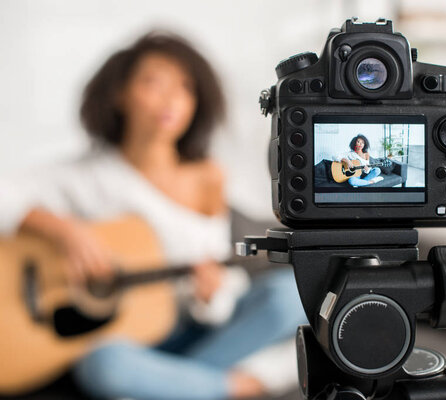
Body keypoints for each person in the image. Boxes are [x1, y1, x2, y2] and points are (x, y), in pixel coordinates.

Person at [0, 31, 307, 400]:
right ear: (119, 93)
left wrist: (210, 296)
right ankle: (226, 388)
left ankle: (172, 387)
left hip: (199, 333)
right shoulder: (89, 176)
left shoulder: (210, 175)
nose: (171, 99)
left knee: (290, 295)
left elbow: (220, 302)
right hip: (138, 345)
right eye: (153, 83)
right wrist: (64, 231)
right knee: (103, 363)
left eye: (185, 88)